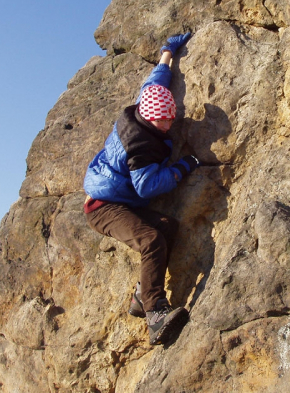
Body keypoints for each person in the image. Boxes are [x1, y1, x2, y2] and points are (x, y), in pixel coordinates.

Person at [83, 32, 199, 345]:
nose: (167, 125)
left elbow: (156, 81)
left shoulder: (146, 103)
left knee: (167, 227)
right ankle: (155, 314)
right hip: (102, 207)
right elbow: (148, 187)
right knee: (151, 239)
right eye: (161, 122)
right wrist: (183, 167)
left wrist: (168, 51)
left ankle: (141, 297)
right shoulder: (140, 147)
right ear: (148, 119)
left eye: (169, 119)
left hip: (119, 198)